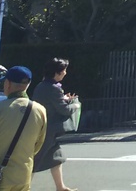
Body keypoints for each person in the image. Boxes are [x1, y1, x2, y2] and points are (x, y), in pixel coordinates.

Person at [0, 65, 47, 191]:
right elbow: (38, 144)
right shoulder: (40, 110)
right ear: (28, 85)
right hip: (23, 173)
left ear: (7, 83)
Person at [31, 58, 78, 191]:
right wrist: (75, 105)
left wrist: (64, 99)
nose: (65, 73)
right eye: (64, 71)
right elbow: (64, 109)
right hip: (48, 130)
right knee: (35, 160)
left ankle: (60, 187)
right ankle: (23, 187)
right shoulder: (53, 88)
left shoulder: (41, 85)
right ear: (56, 73)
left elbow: (52, 102)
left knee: (57, 158)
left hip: (42, 127)